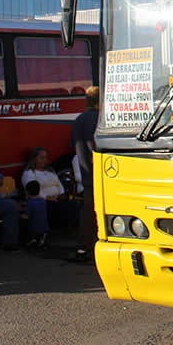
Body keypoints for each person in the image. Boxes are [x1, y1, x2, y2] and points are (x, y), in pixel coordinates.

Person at [72, 86, 99, 260]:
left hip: (86, 174)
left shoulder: (78, 120)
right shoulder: (98, 119)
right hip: (102, 173)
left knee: (88, 211)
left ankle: (84, 245)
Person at [21, 147, 75, 229]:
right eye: (41, 158)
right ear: (34, 159)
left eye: (46, 158)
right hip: (42, 200)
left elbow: (58, 184)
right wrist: (48, 197)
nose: (44, 160)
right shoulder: (29, 173)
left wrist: (62, 193)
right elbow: (32, 189)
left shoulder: (50, 170)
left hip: (57, 197)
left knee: (71, 203)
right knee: (58, 206)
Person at [24, 180, 49, 249]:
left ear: (28, 192)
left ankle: (33, 240)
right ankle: (42, 240)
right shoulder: (43, 201)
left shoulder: (30, 203)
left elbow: (26, 216)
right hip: (45, 228)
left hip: (34, 229)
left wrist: (18, 215)